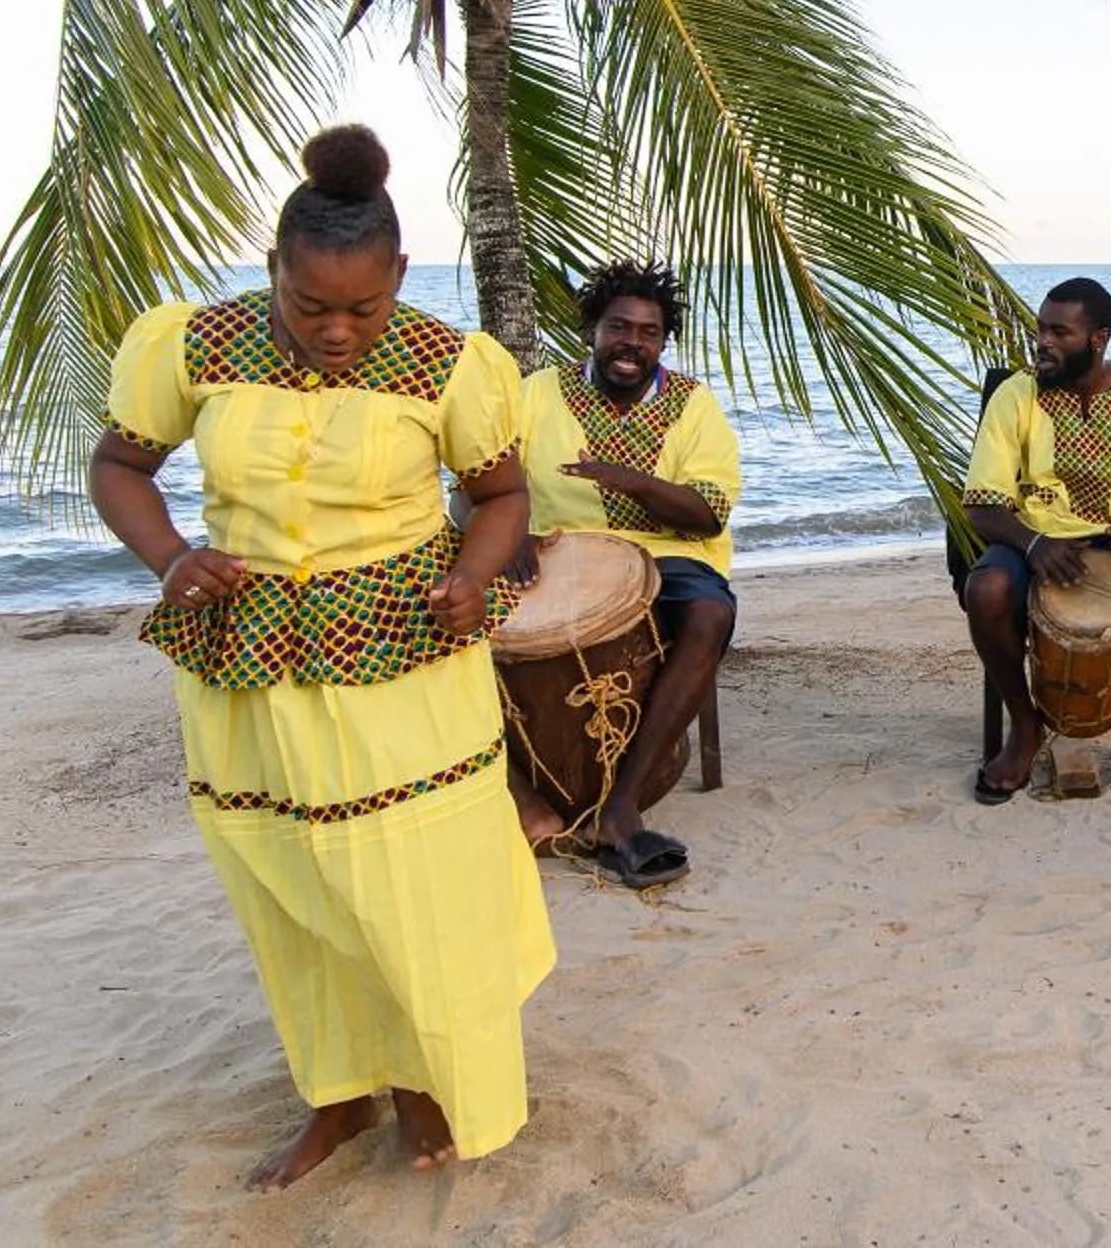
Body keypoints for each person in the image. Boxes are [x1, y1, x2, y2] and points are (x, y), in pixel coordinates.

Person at [88, 126, 553, 1188]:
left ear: (398, 274)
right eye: (310, 308)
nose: (338, 332)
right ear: (272, 273)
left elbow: (501, 496)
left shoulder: (451, 364)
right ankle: (338, 1098)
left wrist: (472, 579)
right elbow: (120, 463)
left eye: (364, 307)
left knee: (411, 886)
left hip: (404, 657)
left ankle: (432, 1084)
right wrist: (170, 558)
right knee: (290, 888)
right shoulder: (190, 347)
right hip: (247, 663)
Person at [509, 261, 740, 888]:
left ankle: (622, 803)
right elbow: (476, 486)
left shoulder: (692, 404)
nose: (631, 344)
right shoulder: (539, 393)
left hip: (666, 555)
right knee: (459, 622)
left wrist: (631, 479)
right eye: (619, 327)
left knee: (711, 613)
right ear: (593, 329)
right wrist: (509, 532)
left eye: (648, 332)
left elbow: (708, 515)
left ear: (663, 341)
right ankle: (518, 788)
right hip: (559, 554)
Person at [957, 277, 1111, 803]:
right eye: (1041, 328)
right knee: (986, 589)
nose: (1042, 341)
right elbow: (981, 503)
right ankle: (1024, 727)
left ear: (1099, 339)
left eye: (1059, 332)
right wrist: (1033, 545)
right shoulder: (1016, 394)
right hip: (1036, 538)